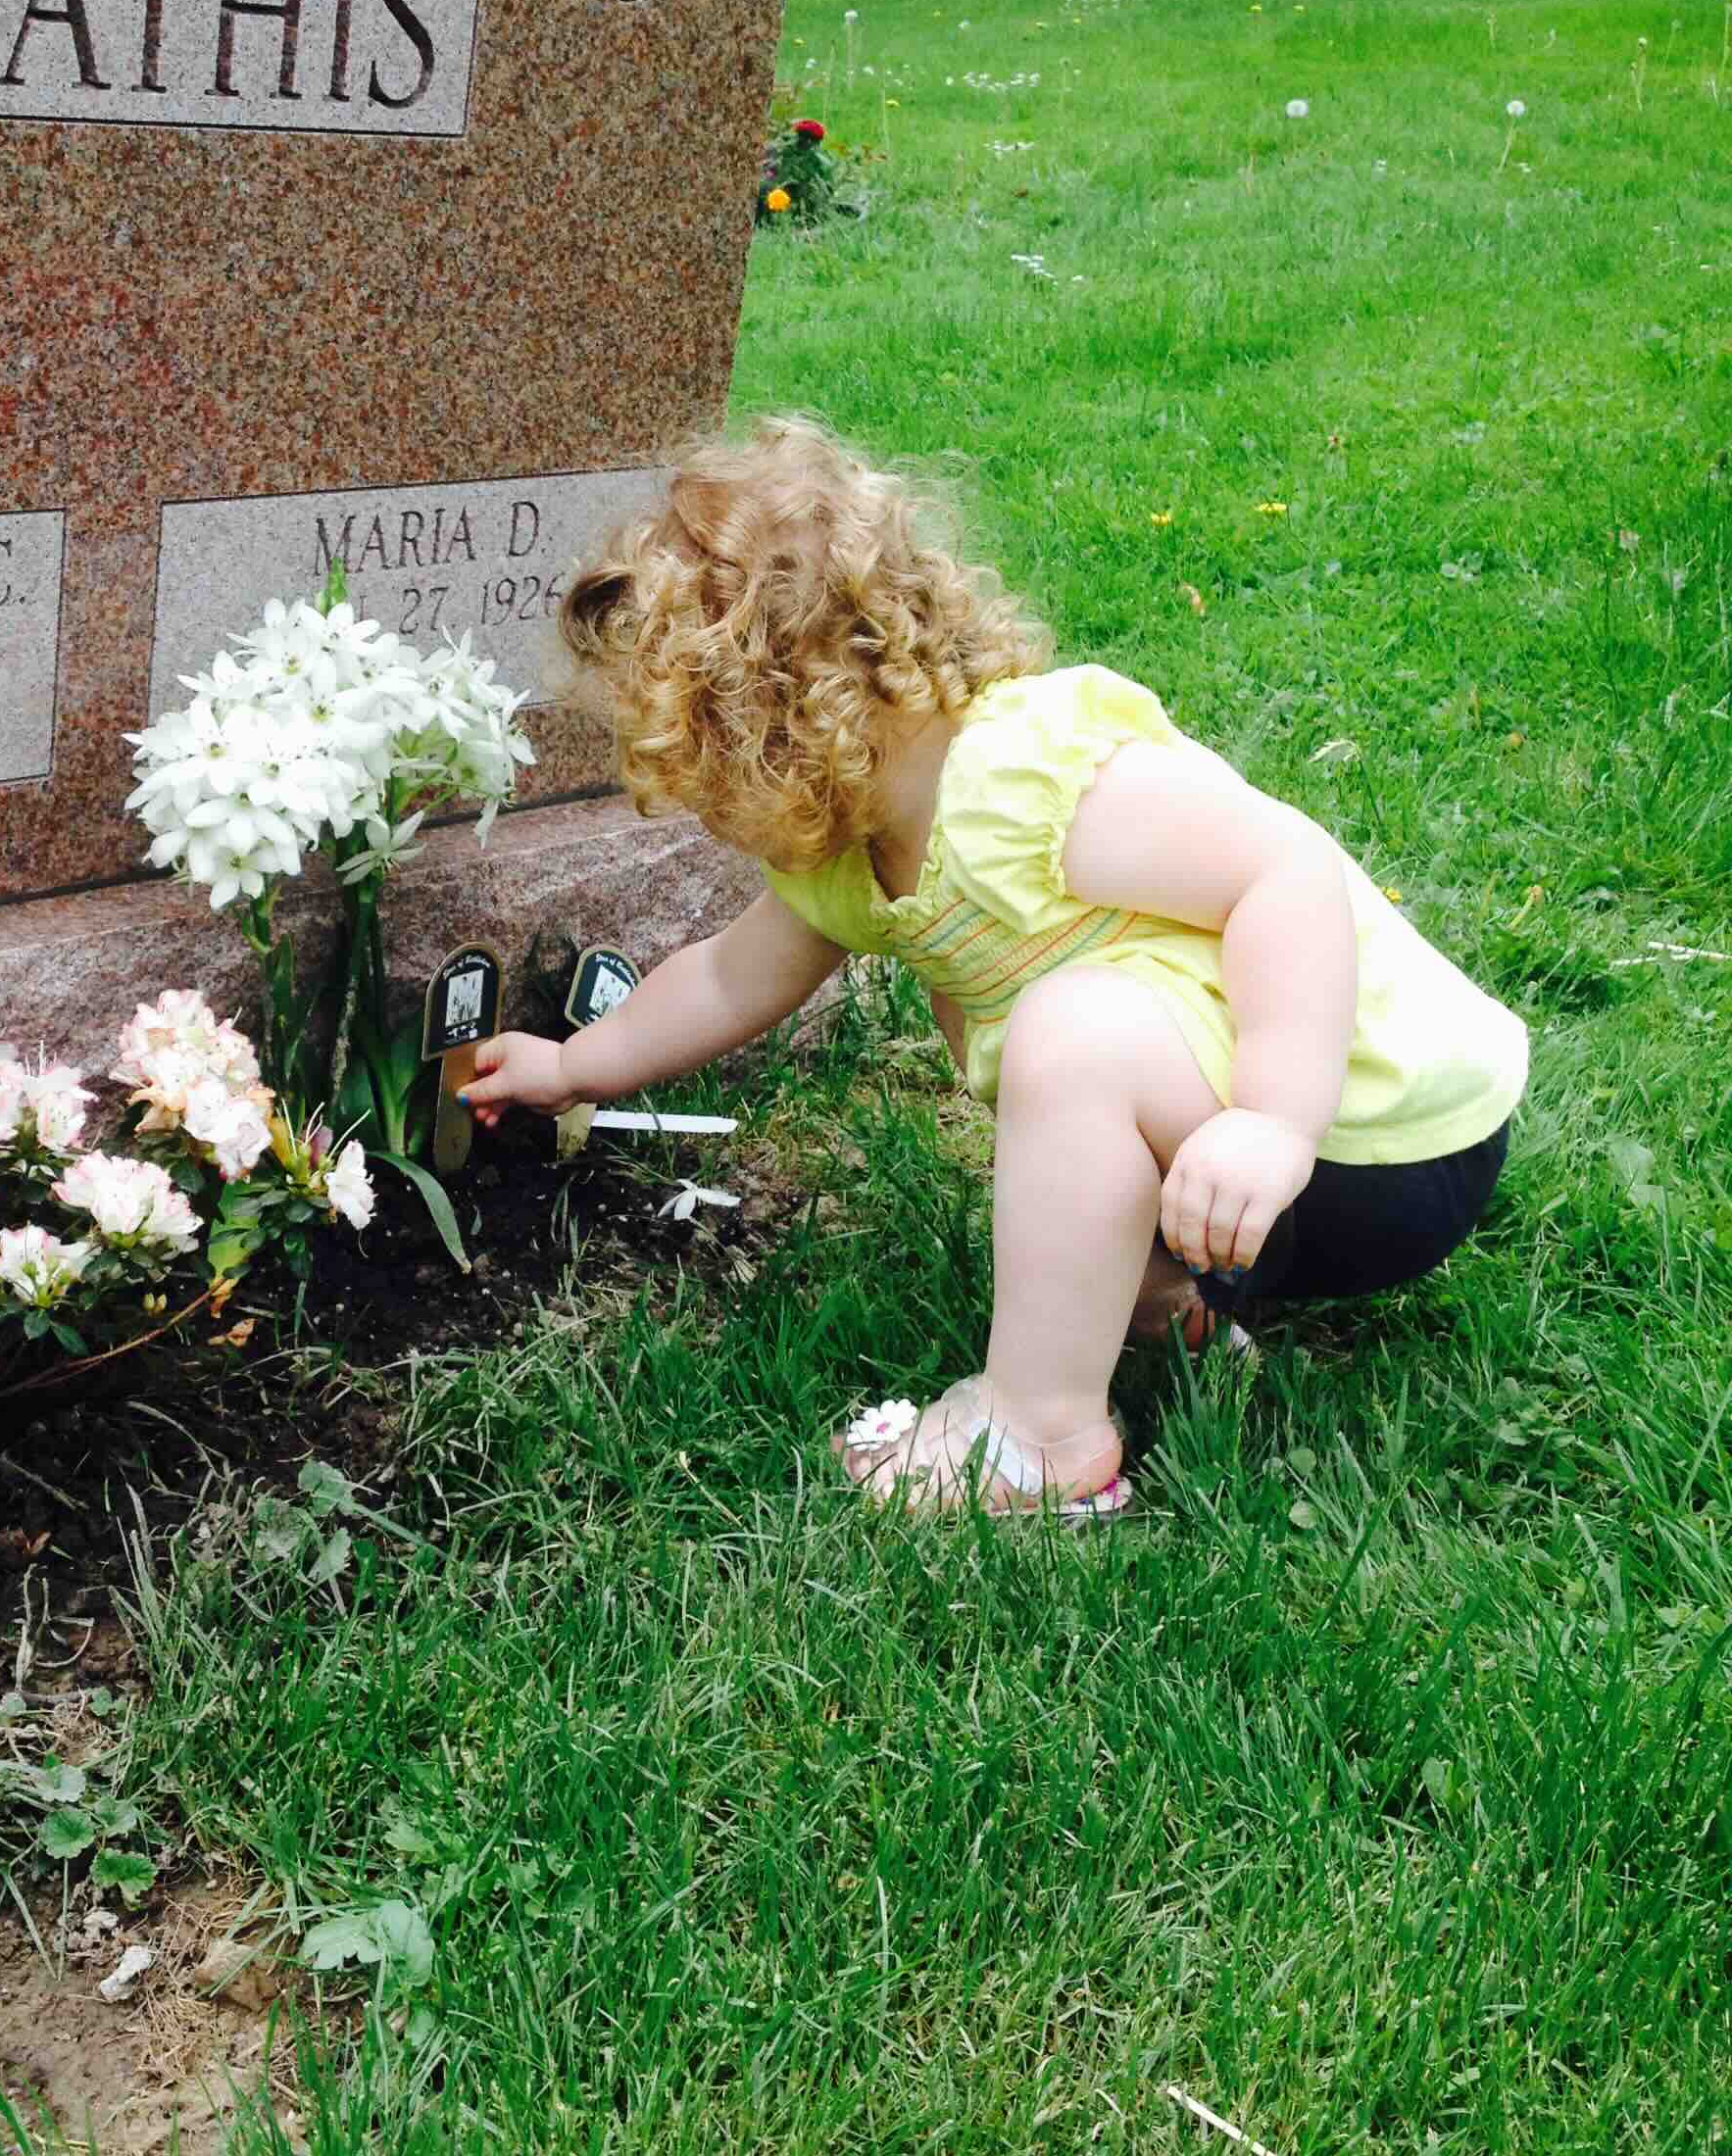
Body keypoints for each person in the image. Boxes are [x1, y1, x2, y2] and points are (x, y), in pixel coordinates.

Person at [468, 419, 1527, 1517]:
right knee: (1055, 1073)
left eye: (704, 769)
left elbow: (1286, 872)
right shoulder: (848, 861)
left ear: (785, 719)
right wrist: (574, 1068)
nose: (706, 813)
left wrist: (1273, 1121)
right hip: (1244, 1188)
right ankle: (1173, 1308)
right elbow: (728, 979)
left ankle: (1041, 1435)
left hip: (1373, 1136)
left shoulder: (1026, 776)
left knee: (1070, 1034)